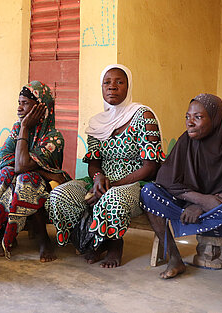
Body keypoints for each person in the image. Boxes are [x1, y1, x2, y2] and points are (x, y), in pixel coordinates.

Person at [46, 64, 164, 268]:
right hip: (101, 181)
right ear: (101, 87)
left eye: (119, 82)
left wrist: (114, 185)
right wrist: (98, 178)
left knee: (113, 199)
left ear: (128, 86)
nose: (112, 87)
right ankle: (92, 241)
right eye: (107, 83)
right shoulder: (97, 122)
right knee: (59, 196)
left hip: (134, 182)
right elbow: (94, 163)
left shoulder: (143, 116)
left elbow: (150, 167)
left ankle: (115, 245)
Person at [141, 93, 222, 279]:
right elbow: (166, 179)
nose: (190, 122)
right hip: (188, 210)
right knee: (149, 192)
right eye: (187, 117)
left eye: (198, 117)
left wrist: (203, 204)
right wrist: (199, 200)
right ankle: (174, 258)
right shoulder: (186, 141)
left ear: (216, 119)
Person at [0, 81, 70, 262]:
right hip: (33, 178)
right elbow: (4, 160)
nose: (19, 108)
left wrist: (24, 129)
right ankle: (8, 231)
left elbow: (21, 165)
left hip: (50, 187)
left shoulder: (54, 137)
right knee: (9, 175)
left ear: (40, 107)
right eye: (19, 102)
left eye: (24, 103)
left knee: (27, 180)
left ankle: (43, 240)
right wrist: (40, 169)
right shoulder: (17, 128)